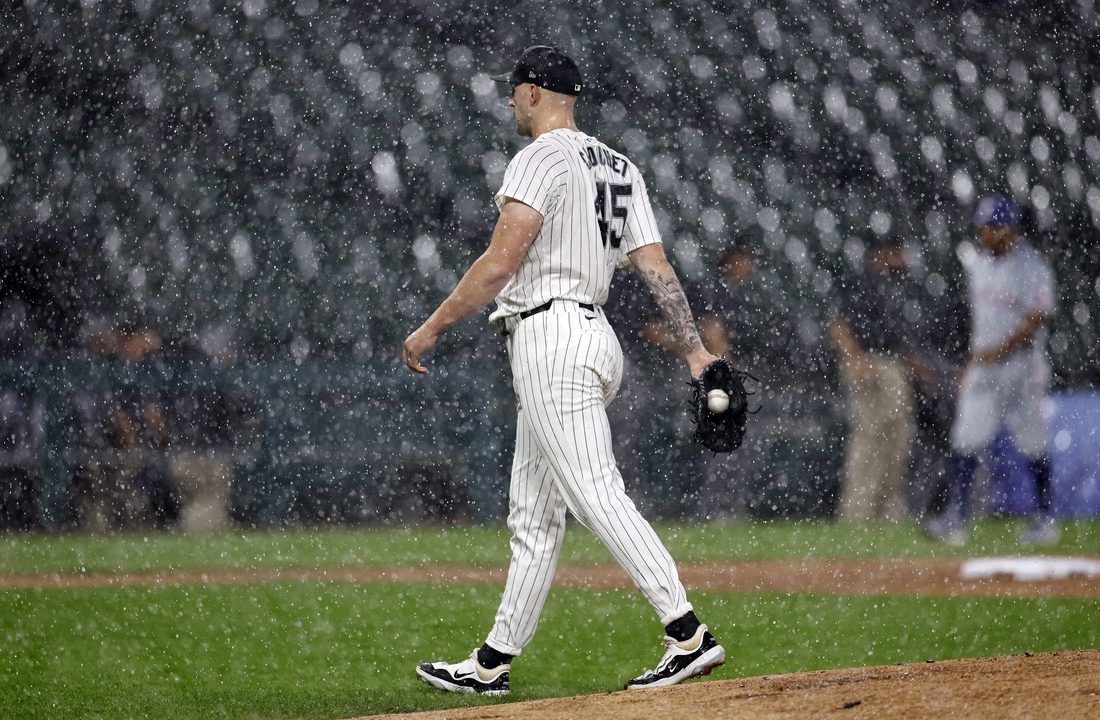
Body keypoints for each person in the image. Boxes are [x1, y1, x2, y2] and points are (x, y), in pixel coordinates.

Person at [402, 46, 726, 695]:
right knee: (534, 515)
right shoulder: (619, 165)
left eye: (513, 93)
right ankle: (492, 663)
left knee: (596, 494)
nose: (511, 105)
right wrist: (696, 352)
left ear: (530, 93)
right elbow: (655, 266)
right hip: (592, 335)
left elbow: (500, 263)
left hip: (551, 334)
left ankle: (687, 632)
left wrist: (432, 325)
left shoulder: (540, 157)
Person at [925, 195, 1058, 545]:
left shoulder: (1033, 267)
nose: (985, 233)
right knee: (965, 439)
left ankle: (1044, 518)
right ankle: (956, 518)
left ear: (1009, 227)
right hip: (983, 366)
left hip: (1021, 368)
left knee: (1033, 443)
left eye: (993, 226)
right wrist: (971, 362)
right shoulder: (979, 265)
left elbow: (1035, 319)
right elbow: (979, 322)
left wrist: (999, 350)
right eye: (983, 226)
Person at [825, 237, 916, 521]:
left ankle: (887, 512)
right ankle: (857, 512)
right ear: (883, 253)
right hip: (869, 363)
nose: (903, 259)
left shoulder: (894, 286)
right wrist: (856, 359)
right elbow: (836, 323)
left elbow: (896, 334)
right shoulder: (861, 282)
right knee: (869, 438)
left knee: (897, 439)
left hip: (890, 364)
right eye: (897, 253)